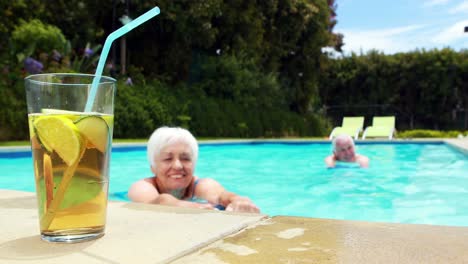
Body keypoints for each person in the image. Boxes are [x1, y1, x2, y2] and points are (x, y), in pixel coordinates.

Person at [128, 126, 260, 213]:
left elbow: (222, 195)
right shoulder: (142, 187)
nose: (178, 166)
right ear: (153, 167)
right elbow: (157, 202)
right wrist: (186, 206)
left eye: (185, 158)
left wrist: (237, 200)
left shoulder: (201, 185)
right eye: (168, 159)